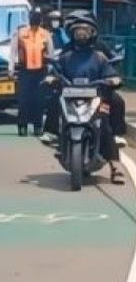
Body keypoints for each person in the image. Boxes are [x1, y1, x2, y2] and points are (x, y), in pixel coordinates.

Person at [46, 13, 125, 184]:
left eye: (85, 32)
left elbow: (111, 73)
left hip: (96, 98)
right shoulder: (66, 55)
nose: (81, 35)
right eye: (78, 32)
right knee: (54, 102)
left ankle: (115, 166)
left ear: (92, 33)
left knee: (104, 124)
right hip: (70, 96)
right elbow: (56, 70)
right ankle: (53, 134)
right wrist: (51, 78)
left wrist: (113, 79)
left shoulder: (100, 56)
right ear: (72, 34)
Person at [9, 9, 53, 136]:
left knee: (39, 100)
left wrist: (51, 70)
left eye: (38, 17)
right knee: (24, 100)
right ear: (30, 18)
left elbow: (51, 52)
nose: (36, 19)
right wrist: (11, 68)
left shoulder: (45, 34)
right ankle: (22, 126)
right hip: (25, 71)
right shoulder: (20, 33)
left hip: (41, 71)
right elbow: (13, 52)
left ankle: (37, 126)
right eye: (34, 17)